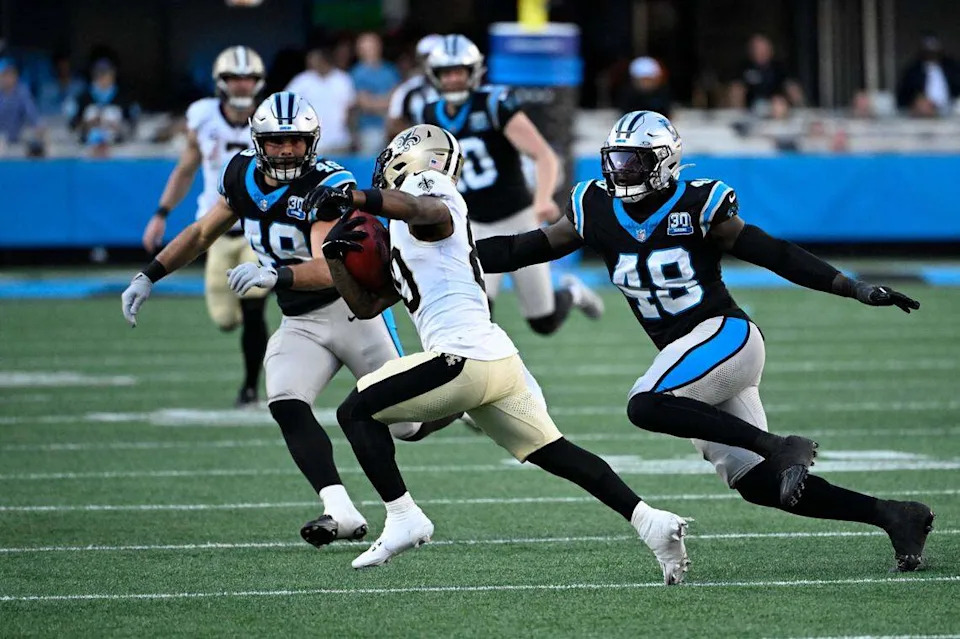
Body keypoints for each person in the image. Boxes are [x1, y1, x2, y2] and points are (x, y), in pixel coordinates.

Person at [474, 110, 935, 572]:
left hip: (726, 336)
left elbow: (772, 252)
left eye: (634, 162)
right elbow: (521, 250)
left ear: (665, 162)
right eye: (615, 160)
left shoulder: (698, 204)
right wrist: (454, 251)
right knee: (759, 484)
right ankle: (895, 516)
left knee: (646, 404)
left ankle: (779, 444)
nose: (620, 171)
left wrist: (850, 286)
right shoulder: (593, 207)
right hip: (692, 359)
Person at [305, 124, 691, 584]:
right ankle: (652, 522)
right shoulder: (409, 236)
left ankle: (405, 516)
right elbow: (366, 305)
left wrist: (357, 198)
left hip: (464, 357)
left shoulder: (429, 187)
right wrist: (334, 256)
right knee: (557, 452)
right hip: (495, 362)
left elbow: (422, 207)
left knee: (356, 412)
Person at [122, 92, 439, 550]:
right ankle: (340, 510)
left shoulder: (327, 185)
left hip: (353, 311)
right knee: (286, 401)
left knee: (406, 427)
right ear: (257, 141)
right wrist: (150, 274)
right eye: (276, 141)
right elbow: (201, 233)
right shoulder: (240, 174)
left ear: (311, 141)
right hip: (300, 319)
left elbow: (329, 263)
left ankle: (459, 403)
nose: (286, 150)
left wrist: (276, 273)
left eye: (294, 141)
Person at [417, 34, 603, 336]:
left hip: (517, 220)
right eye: (446, 73)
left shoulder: (494, 104)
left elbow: (544, 155)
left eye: (459, 72)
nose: (452, 79)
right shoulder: (428, 114)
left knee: (543, 321)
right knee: (477, 312)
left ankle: (572, 293)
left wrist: (543, 198)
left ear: (473, 72)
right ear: (435, 76)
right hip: (472, 224)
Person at [141, 46, 269, 407]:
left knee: (254, 306)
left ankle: (249, 388)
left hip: (258, 228)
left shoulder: (269, 120)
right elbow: (185, 169)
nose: (242, 86)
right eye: (235, 78)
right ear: (221, 82)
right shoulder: (203, 117)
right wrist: (161, 212)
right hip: (213, 229)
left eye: (248, 78)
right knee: (226, 319)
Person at [285, 45, 355, 154]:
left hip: (339, 141)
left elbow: (351, 110)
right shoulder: (302, 80)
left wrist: (353, 136)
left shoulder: (342, 79)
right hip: (310, 142)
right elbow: (286, 105)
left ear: (323, 60)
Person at [69, 58, 138, 152]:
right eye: (99, 74)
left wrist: (116, 126)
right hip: (87, 149)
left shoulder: (124, 99)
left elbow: (132, 125)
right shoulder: (83, 98)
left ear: (113, 75)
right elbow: (73, 125)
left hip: (117, 149)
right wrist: (89, 124)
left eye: (106, 74)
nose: (102, 78)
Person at [350, 32, 400, 154]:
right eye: (365, 47)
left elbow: (397, 98)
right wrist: (386, 102)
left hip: (393, 130)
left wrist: (375, 101)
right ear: (359, 50)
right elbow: (365, 104)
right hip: (368, 130)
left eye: (372, 46)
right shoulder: (356, 73)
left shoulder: (390, 70)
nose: (370, 50)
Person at [385, 33, 443, 138]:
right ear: (419, 60)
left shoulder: (460, 87)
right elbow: (393, 125)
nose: (431, 62)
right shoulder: (407, 90)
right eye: (427, 57)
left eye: (437, 57)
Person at [730, 34, 804, 114]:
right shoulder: (744, 67)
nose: (760, 52)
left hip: (775, 105)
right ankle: (737, 116)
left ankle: (802, 112)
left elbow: (789, 84)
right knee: (736, 89)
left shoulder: (779, 67)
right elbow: (736, 86)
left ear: (770, 50)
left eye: (763, 48)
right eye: (756, 48)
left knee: (790, 91)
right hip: (750, 106)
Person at [896, 34, 960, 117]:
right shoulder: (913, 71)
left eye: (934, 50)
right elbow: (903, 95)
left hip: (950, 110)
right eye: (928, 51)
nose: (931, 54)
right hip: (923, 114)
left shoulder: (951, 68)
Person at [0, 58, 39, 145]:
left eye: (10, 75)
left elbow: (31, 113)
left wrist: (37, 125)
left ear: (16, 77)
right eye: (4, 76)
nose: (7, 79)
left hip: (15, 141)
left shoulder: (22, 93)